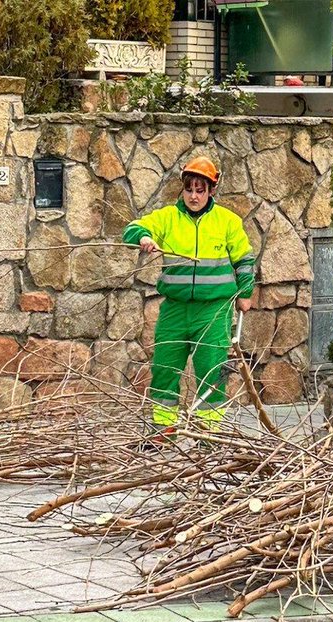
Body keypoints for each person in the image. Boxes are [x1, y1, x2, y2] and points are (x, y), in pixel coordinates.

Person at [121, 157, 255, 433]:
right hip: (175, 309)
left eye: (200, 190)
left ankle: (209, 434)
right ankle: (164, 430)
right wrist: (144, 238)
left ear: (211, 190)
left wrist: (245, 293)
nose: (194, 196)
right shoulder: (167, 217)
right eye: (189, 189)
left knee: (212, 371)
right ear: (182, 189)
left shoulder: (227, 221)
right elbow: (131, 229)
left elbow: (244, 259)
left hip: (213, 311)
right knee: (165, 368)